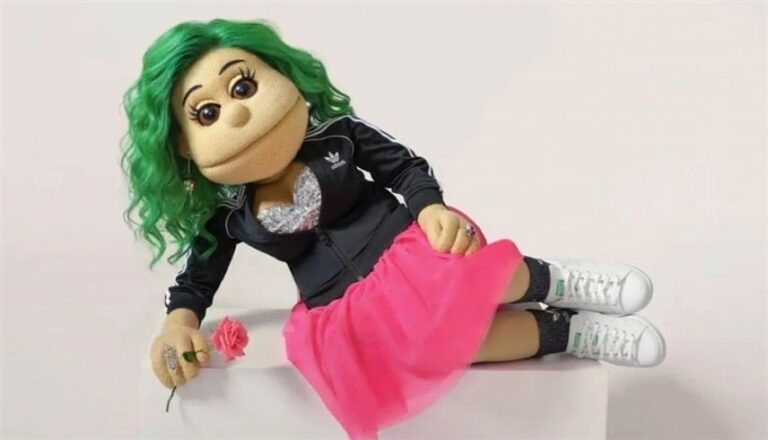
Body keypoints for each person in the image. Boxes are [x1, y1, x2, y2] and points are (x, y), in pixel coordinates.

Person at [121, 18, 666, 439]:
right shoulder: (229, 214)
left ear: (280, 73)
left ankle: (557, 281)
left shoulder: (338, 135)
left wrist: (429, 209)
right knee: (451, 347)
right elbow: (196, 282)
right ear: (184, 148)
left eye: (243, 86)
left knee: (469, 274)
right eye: (207, 114)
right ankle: (569, 333)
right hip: (342, 306)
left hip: (403, 246)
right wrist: (177, 325)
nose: (238, 115)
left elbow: (404, 167)